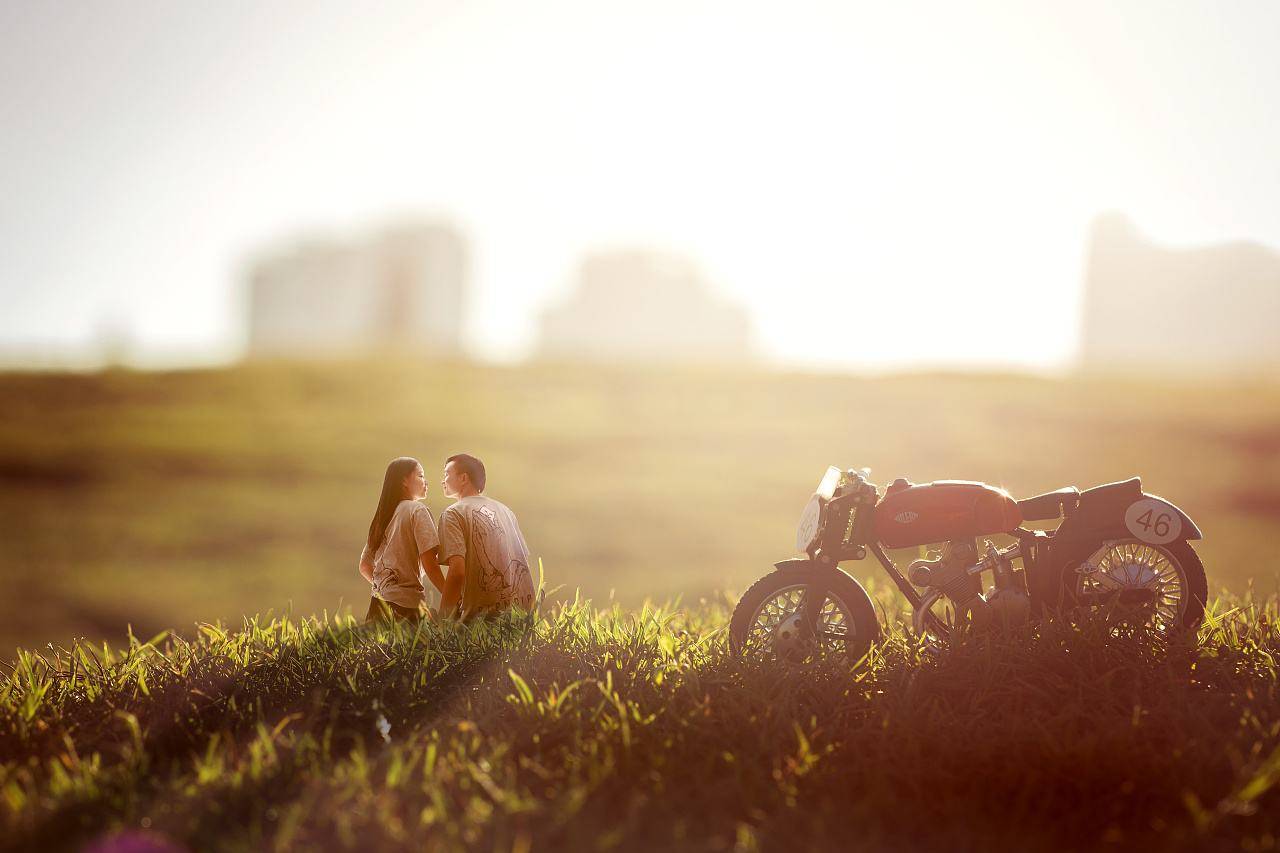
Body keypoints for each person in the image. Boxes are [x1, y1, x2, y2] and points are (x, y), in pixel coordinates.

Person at [436, 453, 536, 620]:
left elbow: (457, 573)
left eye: (447, 474)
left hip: (482, 623)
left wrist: (444, 620)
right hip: (522, 620)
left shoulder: (453, 514)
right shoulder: (505, 510)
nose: (443, 480)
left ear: (463, 478)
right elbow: (521, 559)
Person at [359, 456, 444, 623]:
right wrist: (452, 596)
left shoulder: (382, 516)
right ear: (404, 480)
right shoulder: (417, 510)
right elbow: (429, 562)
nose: (426, 481)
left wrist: (386, 587)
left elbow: (364, 566)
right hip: (406, 607)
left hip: (377, 603)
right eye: (420, 475)